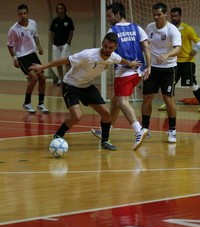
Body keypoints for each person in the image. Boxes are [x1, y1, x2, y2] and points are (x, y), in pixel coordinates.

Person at [29, 32, 141, 151]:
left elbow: (120, 60)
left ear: (115, 47)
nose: (107, 49)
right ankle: (58, 134)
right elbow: (64, 60)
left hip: (87, 86)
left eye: (110, 48)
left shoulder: (113, 56)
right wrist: (43, 67)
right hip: (70, 85)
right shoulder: (87, 55)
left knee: (106, 114)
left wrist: (130, 63)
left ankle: (105, 141)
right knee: (77, 117)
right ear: (102, 43)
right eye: (105, 46)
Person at [91, 2, 151, 151]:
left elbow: (106, 51)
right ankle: (106, 130)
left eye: (110, 15)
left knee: (122, 101)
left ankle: (139, 131)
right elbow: (146, 47)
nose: (109, 18)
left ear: (118, 14)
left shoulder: (113, 31)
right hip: (138, 71)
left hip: (125, 72)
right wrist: (149, 66)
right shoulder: (137, 28)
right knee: (114, 102)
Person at [141, 2, 182, 143]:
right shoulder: (150, 27)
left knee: (167, 98)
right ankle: (145, 129)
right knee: (147, 97)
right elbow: (146, 45)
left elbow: (178, 49)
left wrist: (166, 55)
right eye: (154, 14)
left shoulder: (172, 30)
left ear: (165, 14)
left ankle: (172, 130)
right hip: (152, 68)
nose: (156, 17)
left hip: (168, 69)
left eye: (159, 14)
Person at [158, 7, 200, 112]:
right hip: (174, 62)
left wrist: (195, 49)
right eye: (172, 16)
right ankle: (167, 103)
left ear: (180, 16)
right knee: (171, 83)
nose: (174, 18)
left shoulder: (187, 28)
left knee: (192, 84)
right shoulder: (168, 28)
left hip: (187, 62)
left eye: (176, 16)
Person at [7, 4, 49, 114]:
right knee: (33, 78)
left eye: (24, 13)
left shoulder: (33, 23)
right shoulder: (13, 29)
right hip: (21, 56)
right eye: (20, 14)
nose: (22, 15)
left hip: (32, 54)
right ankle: (27, 102)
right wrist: (15, 59)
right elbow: (10, 45)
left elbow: (35, 36)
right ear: (18, 14)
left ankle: (41, 103)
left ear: (27, 13)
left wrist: (39, 47)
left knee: (43, 78)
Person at [50, 3, 74, 86]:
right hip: (56, 45)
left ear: (64, 9)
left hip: (65, 45)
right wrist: (52, 42)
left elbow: (71, 32)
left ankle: (68, 79)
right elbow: (51, 32)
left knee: (66, 62)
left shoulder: (68, 20)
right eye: (59, 8)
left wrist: (68, 42)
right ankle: (61, 79)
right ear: (57, 10)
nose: (60, 10)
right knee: (58, 62)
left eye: (62, 8)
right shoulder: (55, 21)